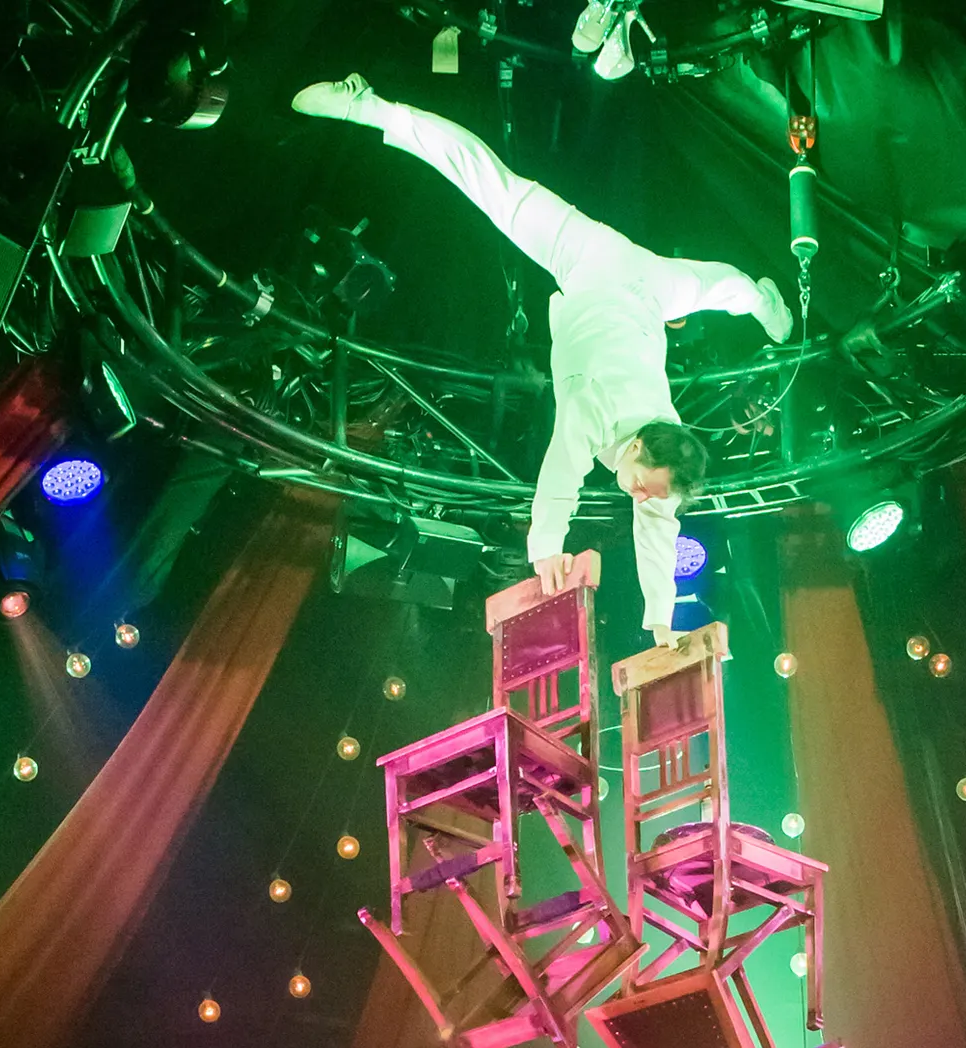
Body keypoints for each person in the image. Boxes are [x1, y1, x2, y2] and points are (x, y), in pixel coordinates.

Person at [293, 75, 793, 646]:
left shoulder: (663, 465)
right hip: (593, 260)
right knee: (494, 187)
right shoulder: (599, 407)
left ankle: (763, 301)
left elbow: (658, 532)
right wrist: (547, 548)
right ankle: (371, 106)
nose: (639, 497)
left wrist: (661, 624)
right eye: (642, 486)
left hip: (650, 293)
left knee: (726, 287)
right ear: (636, 447)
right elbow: (561, 470)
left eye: (649, 493)